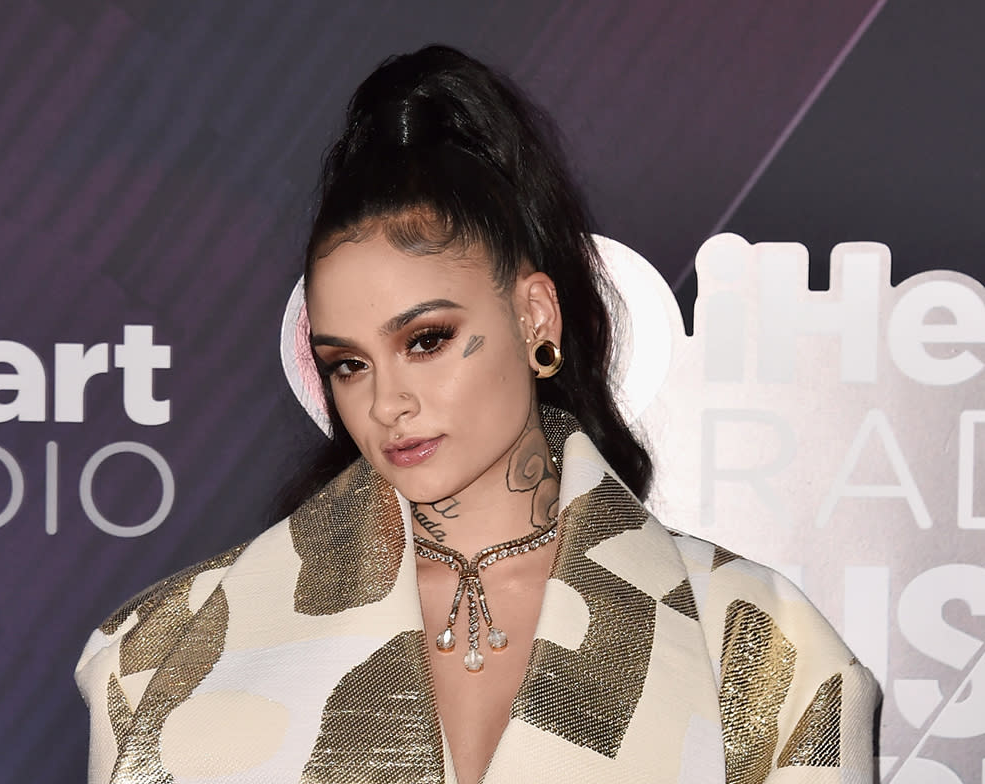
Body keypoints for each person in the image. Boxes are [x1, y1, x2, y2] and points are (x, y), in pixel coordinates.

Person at [76, 45, 877, 784]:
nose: (387, 403)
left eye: (426, 340)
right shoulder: (157, 656)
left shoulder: (764, 648)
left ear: (535, 317)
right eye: (348, 364)